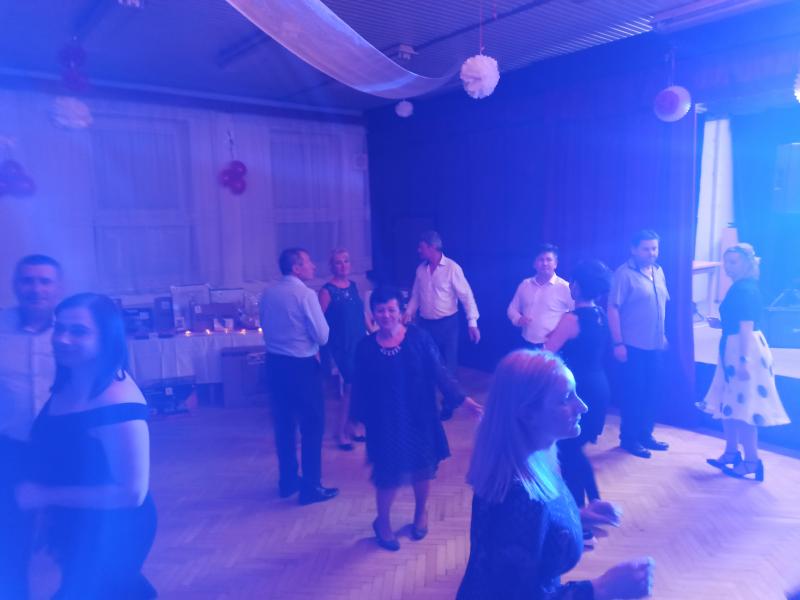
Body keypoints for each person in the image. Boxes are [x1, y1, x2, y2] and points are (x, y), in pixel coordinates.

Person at [457, 350, 655, 599]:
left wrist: (576, 518)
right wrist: (602, 588)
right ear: (528, 414)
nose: (582, 406)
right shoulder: (517, 497)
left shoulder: (535, 458)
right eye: (565, 399)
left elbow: (527, 538)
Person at [16, 293, 157, 599]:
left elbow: (132, 493)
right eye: (59, 328)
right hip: (79, 520)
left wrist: (44, 495)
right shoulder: (72, 380)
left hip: (115, 526)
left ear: (106, 338)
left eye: (78, 331)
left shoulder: (119, 400)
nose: (62, 339)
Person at [352, 286, 483, 551]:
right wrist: (355, 418)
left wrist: (463, 401)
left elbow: (440, 373)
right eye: (380, 310)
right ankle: (382, 522)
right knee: (387, 474)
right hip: (384, 422)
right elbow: (360, 386)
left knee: (423, 469)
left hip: (419, 417)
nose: (386, 315)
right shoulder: (365, 347)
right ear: (373, 314)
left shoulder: (419, 338)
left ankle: (421, 512)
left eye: (391, 309)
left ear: (400, 311)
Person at [698, 243, 789, 481]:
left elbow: (747, 326)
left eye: (734, 262)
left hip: (743, 350)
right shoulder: (740, 287)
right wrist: (721, 324)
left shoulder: (746, 289)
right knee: (729, 403)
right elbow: (739, 321)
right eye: (726, 262)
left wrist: (744, 360)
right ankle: (731, 452)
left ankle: (752, 461)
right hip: (734, 347)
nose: (728, 267)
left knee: (745, 407)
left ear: (747, 263)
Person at [0, 254, 62, 598]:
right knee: (11, 537)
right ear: (15, 285)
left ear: (58, 287)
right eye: (27, 280)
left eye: (44, 281)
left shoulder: (71, 330)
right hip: (11, 449)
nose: (36, 288)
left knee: (72, 532)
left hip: (65, 450)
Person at [260, 248, 338, 505]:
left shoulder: (268, 294)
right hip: (302, 367)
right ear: (296, 268)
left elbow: (265, 327)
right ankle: (311, 486)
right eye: (308, 262)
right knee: (312, 427)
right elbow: (323, 336)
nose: (313, 266)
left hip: (275, 365)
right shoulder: (305, 295)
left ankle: (288, 481)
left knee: (284, 426)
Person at [545, 260, 612, 512]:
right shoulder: (600, 315)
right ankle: (595, 502)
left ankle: (579, 520)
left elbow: (547, 354)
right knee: (574, 448)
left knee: (567, 451)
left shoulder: (571, 319)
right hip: (599, 387)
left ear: (578, 287)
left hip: (578, 391)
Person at [608, 229, 670, 459]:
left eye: (654, 248)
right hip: (632, 345)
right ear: (633, 249)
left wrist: (663, 334)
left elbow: (661, 305)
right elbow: (612, 308)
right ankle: (629, 439)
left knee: (652, 392)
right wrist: (618, 343)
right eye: (646, 249)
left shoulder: (658, 271)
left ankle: (646, 434)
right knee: (634, 394)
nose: (651, 253)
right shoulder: (623, 274)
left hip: (655, 344)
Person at [403, 230, 480, 381]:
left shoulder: (452, 268)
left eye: (422, 247)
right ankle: (428, 392)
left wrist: (472, 323)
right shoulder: (420, 270)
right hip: (425, 324)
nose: (419, 250)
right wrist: (408, 312)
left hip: (447, 324)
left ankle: (449, 395)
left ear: (432, 247)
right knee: (427, 360)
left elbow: (466, 296)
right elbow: (416, 295)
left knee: (448, 366)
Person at [318, 248, 369, 450]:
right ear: (332, 266)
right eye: (338, 262)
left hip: (360, 342)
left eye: (346, 261)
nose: (343, 265)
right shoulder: (327, 291)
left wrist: (373, 330)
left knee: (359, 387)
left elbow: (361, 314)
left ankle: (352, 425)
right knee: (349, 388)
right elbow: (319, 321)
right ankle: (340, 433)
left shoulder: (354, 286)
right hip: (342, 346)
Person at [508, 244, 573, 349]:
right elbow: (512, 309)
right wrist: (518, 319)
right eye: (541, 260)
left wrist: (560, 333)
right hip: (525, 343)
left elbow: (575, 314)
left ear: (555, 264)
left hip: (553, 346)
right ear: (534, 264)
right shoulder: (525, 284)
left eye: (549, 260)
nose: (545, 263)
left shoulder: (565, 287)